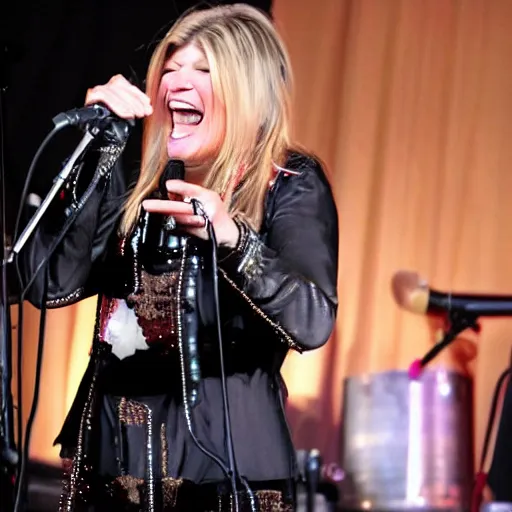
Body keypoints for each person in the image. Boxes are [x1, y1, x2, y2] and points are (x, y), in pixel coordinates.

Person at [22, 3, 339, 511]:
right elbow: (45, 279)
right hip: (111, 464)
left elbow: (312, 319)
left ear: (246, 91)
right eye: (169, 71)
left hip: (226, 476)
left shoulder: (288, 183)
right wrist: (92, 154)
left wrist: (233, 238)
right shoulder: (133, 184)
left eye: (203, 70)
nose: (175, 83)